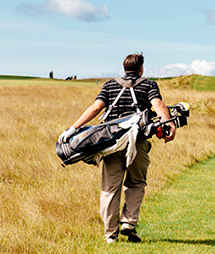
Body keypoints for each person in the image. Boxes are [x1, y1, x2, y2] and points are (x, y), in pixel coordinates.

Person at [59, 53, 176, 243]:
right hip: (138, 141)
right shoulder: (149, 85)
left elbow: (96, 108)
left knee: (110, 188)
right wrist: (170, 124)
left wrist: (74, 128)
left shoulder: (110, 85)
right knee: (136, 182)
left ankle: (110, 235)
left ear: (124, 68)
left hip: (112, 143)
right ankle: (128, 222)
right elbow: (158, 104)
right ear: (141, 69)